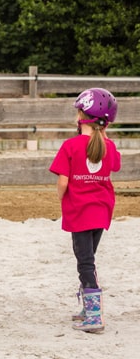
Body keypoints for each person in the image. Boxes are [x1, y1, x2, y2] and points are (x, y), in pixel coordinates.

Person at [49, 88, 121, 333]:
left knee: (85, 263)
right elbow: (115, 165)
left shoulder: (71, 146)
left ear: (82, 117)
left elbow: (63, 182)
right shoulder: (108, 146)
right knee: (89, 259)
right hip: (101, 213)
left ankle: (94, 315)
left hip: (79, 213)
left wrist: (62, 199)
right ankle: (87, 309)